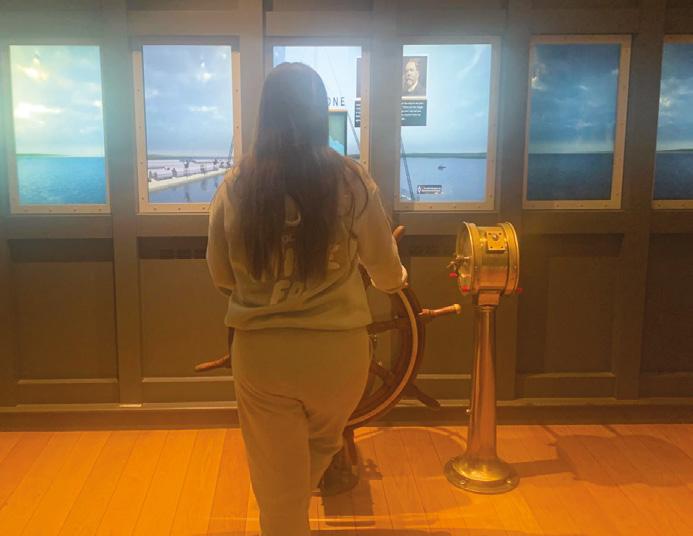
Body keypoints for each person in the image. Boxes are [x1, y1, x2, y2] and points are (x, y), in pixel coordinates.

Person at [206, 62, 406, 536]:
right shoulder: (352, 179)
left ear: (265, 114)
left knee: (278, 492)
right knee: (319, 449)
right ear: (320, 113)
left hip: (263, 359)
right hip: (339, 359)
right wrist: (394, 279)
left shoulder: (236, 185)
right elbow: (385, 270)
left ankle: (288, 516)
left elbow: (221, 274)